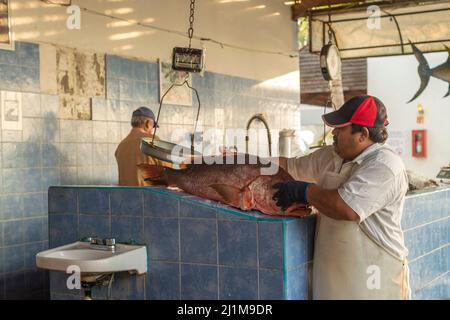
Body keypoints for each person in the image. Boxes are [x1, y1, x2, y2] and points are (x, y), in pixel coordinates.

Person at [273, 95, 410, 300]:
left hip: (375, 278)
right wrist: (242, 162)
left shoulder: (385, 164)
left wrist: (305, 191)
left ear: (362, 134)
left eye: (341, 128)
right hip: (334, 278)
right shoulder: (332, 155)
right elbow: (290, 167)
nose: (334, 133)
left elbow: (346, 208)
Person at [115, 106, 163, 186]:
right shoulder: (152, 141)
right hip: (149, 196)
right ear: (148, 124)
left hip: (125, 197)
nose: (152, 131)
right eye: (153, 127)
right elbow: (168, 172)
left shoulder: (121, 146)